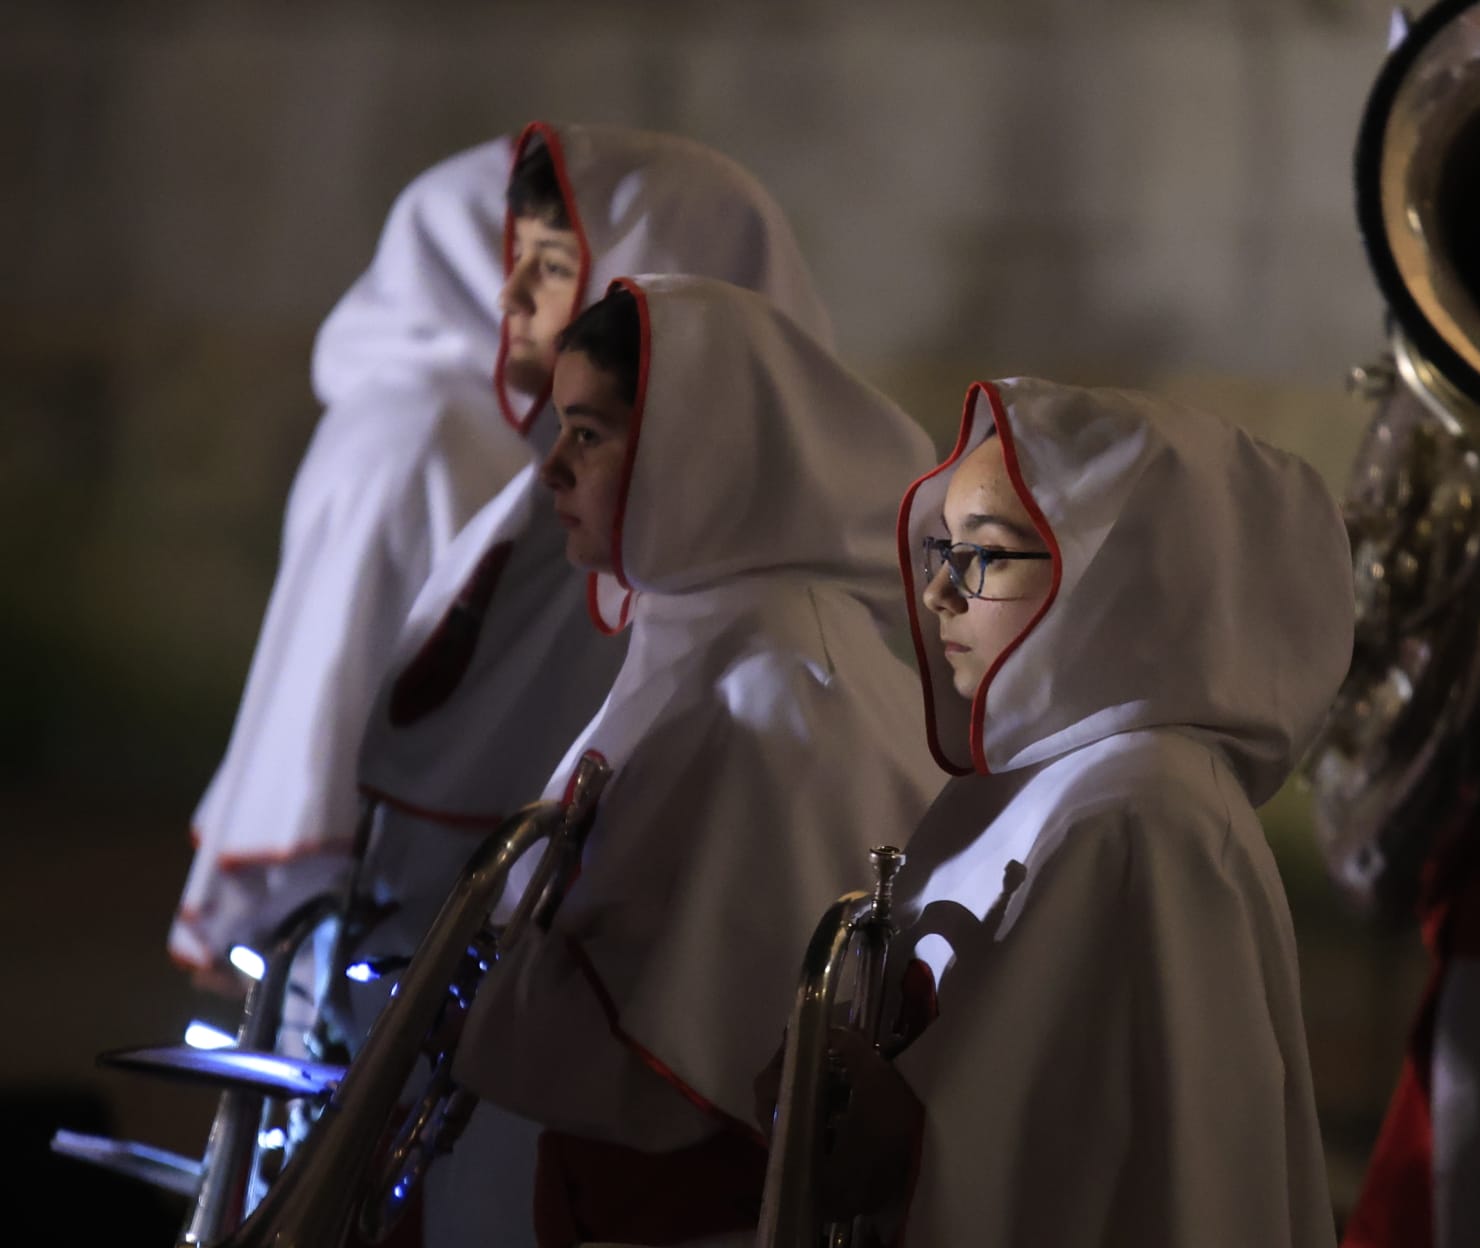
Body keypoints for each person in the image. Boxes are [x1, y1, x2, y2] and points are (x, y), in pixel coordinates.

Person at [335, 125, 845, 1248]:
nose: (509, 290)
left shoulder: (770, 682)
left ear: (690, 438)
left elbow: (685, 1017)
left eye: (554, 260)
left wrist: (468, 1016)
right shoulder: (657, 605)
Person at [450, 277, 942, 1248]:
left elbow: (709, 1057)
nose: (552, 469)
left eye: (589, 433)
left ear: (693, 454)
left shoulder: (778, 687)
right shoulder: (711, 630)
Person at [813, 378, 1352, 1247]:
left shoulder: (1150, 817)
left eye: (981, 556)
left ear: (1125, 570)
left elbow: (1160, 1181)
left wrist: (888, 1126)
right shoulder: (1054, 789)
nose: (938, 597)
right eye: (940, 553)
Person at [171, 137, 527, 978]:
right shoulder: (433, 433)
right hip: (370, 884)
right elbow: (366, 665)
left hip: (351, 873)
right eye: (531, 260)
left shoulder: (404, 407)